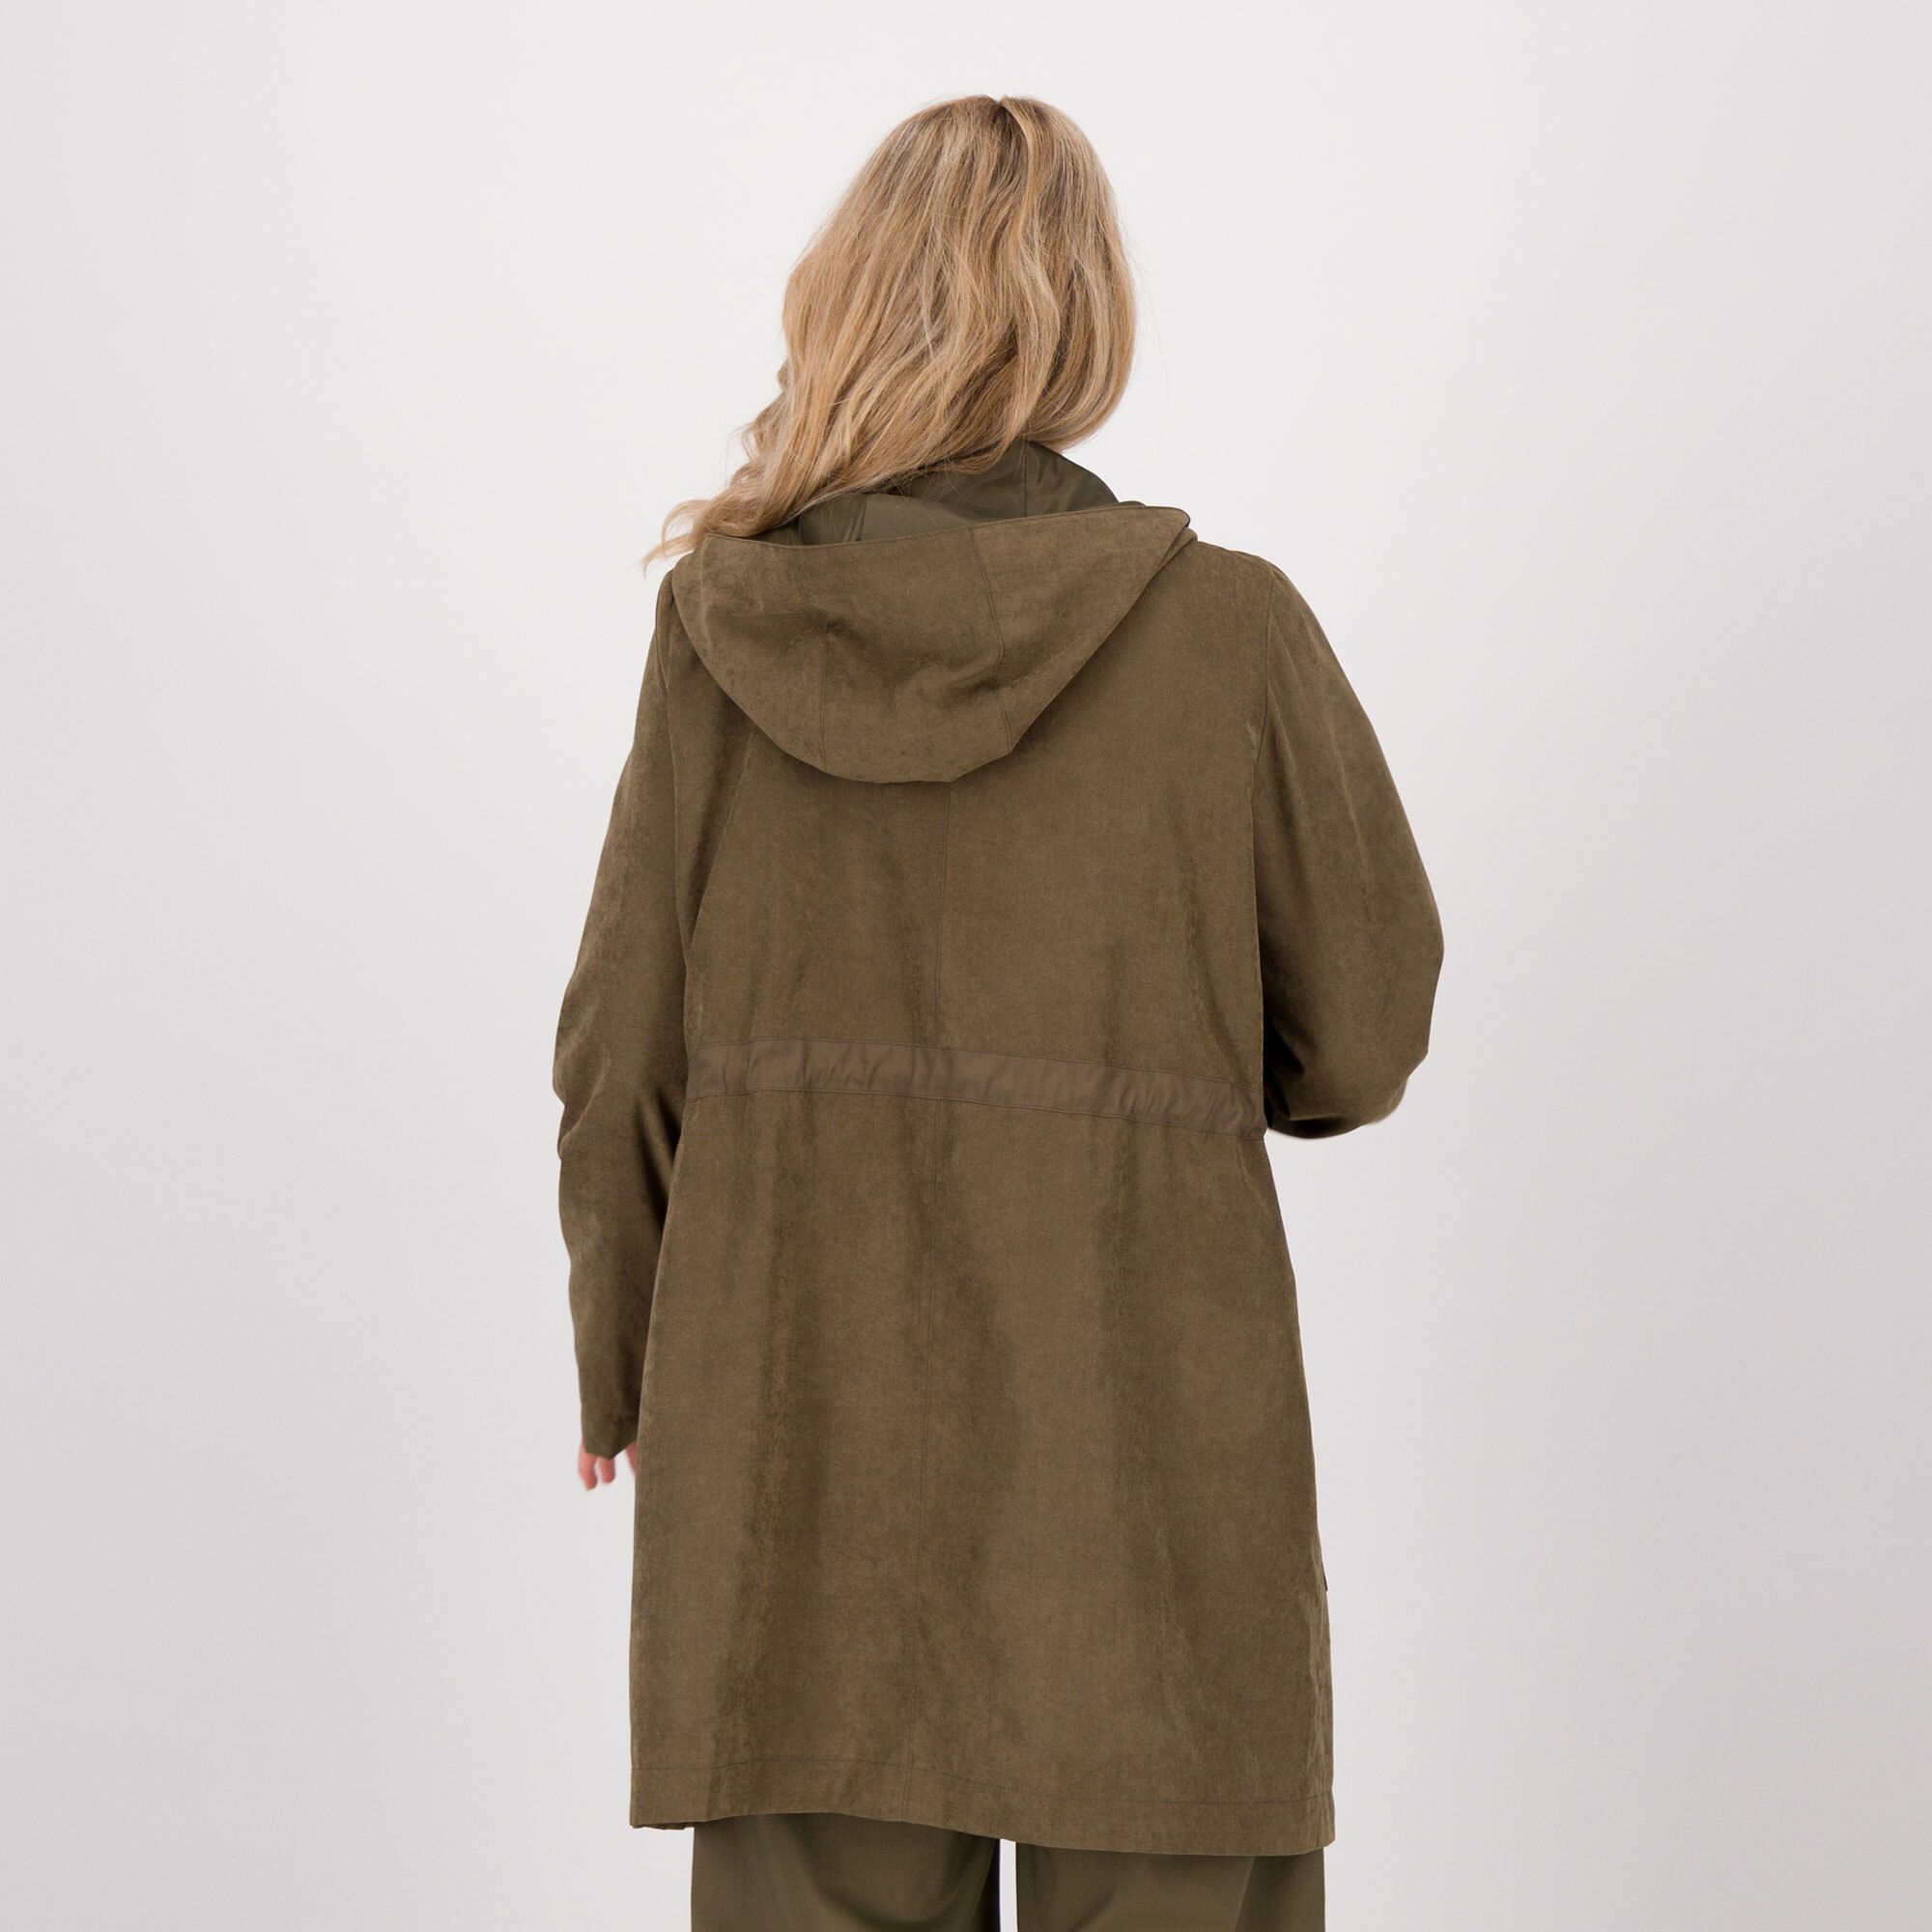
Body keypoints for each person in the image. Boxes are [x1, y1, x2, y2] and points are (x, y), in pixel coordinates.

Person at [554, 93, 1441, 1932]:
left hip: (793, 1458)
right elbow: (1361, 1033)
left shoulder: (719, 636)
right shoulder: (1230, 630)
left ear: (846, 303)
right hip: (1152, 1469)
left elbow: (619, 1054)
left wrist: (622, 1358)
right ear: (1082, 318)